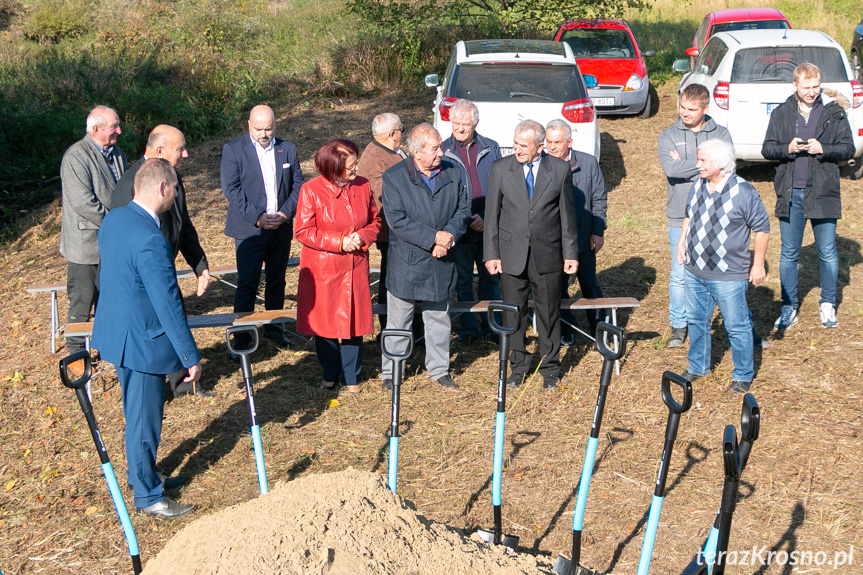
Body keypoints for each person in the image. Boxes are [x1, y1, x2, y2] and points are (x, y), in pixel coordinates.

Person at [92, 159, 200, 518]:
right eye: (174, 189)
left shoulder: (115, 219)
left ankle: (144, 476)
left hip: (118, 333)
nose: (175, 197)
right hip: (141, 341)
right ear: (161, 188)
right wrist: (190, 356)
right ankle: (148, 496)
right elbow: (168, 303)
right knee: (143, 421)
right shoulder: (152, 238)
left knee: (136, 414)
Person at [113, 125, 212, 398]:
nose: (186, 153)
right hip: (142, 277)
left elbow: (184, 224)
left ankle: (182, 383)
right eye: (180, 148)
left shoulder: (172, 177)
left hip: (162, 268)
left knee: (172, 317)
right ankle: (154, 385)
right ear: (160, 151)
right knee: (157, 325)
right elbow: (122, 235)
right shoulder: (130, 184)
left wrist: (199, 264)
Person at [484, 119, 578, 390]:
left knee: (549, 313)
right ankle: (518, 366)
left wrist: (570, 253)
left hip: (547, 254)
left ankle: (550, 367)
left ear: (540, 146)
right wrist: (491, 254)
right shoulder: (500, 169)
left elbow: (567, 217)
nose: (517, 149)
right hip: (510, 255)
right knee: (514, 314)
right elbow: (491, 216)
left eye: (523, 145)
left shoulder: (559, 170)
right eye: (514, 143)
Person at [762, 63, 854, 331]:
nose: (812, 92)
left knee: (827, 251)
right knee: (789, 253)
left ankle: (827, 302)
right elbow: (767, 148)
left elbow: (848, 148)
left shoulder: (834, 114)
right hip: (791, 193)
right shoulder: (781, 113)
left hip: (823, 191)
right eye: (806, 87)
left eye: (816, 87)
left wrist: (823, 148)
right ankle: (789, 306)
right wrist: (787, 148)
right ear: (795, 86)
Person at [380, 123, 470, 391]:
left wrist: (448, 237)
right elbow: (397, 220)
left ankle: (439, 370)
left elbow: (463, 208)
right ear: (416, 153)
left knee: (438, 319)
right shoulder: (394, 177)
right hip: (407, 261)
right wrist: (433, 238)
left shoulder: (453, 172)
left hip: (441, 258)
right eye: (435, 148)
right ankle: (392, 372)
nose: (441, 152)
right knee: (399, 322)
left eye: (440, 146)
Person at [677, 140, 769, 393]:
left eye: (703, 160)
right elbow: (689, 215)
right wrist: (681, 243)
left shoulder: (743, 192)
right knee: (697, 321)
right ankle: (698, 366)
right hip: (695, 271)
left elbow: (762, 228)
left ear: (719, 163)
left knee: (737, 327)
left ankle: (742, 375)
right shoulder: (697, 185)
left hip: (728, 275)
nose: (697, 165)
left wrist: (758, 265)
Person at [295, 139, 380, 393]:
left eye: (355, 163)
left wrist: (363, 238)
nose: (356, 169)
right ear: (333, 168)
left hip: (354, 266)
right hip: (324, 268)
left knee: (354, 323)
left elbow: (375, 220)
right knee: (326, 325)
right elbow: (303, 231)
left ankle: (352, 377)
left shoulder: (363, 185)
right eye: (351, 165)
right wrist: (340, 241)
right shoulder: (310, 190)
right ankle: (329, 374)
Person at [221, 104, 304, 355]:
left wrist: (284, 213)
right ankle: (243, 336)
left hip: (279, 227)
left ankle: (274, 326)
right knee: (248, 282)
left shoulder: (287, 148)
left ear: (275, 125)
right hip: (249, 229)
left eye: (268, 128)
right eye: (258, 128)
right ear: (249, 125)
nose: (263, 133)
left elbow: (299, 185)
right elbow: (231, 189)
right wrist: (257, 218)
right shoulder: (234, 150)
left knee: (277, 279)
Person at [658, 84, 733, 349]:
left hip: (715, 214)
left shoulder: (721, 133)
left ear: (705, 108)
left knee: (719, 272)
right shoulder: (668, 135)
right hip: (680, 213)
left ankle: (731, 321)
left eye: (691, 109)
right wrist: (706, 165)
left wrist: (686, 164)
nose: (685, 113)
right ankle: (679, 325)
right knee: (679, 273)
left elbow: (728, 168)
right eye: (682, 107)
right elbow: (671, 168)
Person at [59, 105, 127, 366]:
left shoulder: (117, 154)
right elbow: (83, 202)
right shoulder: (75, 156)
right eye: (114, 126)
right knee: (82, 299)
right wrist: (116, 223)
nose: (119, 130)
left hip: (111, 243)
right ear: (96, 129)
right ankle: (75, 352)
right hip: (85, 246)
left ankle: (104, 346)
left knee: (108, 298)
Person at [441, 99, 502, 343]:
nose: (460, 129)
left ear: (475, 123)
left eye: (465, 124)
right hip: (461, 229)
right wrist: (464, 220)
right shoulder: (443, 150)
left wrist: (487, 217)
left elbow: (500, 188)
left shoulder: (491, 147)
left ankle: (492, 326)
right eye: (456, 123)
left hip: (488, 227)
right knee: (463, 281)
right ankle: (467, 330)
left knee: (491, 279)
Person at [545, 118, 607, 344]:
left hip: (583, 239)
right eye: (548, 141)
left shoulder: (588, 163)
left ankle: (599, 329)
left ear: (569, 142)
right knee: (557, 288)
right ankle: (567, 329)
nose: (552, 147)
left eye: (557, 142)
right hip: (553, 243)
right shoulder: (542, 165)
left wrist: (597, 231)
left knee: (589, 284)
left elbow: (599, 198)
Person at [356, 113, 406, 334]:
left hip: (395, 228)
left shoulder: (386, 152)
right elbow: (383, 195)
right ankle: (390, 329)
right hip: (391, 230)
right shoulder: (376, 157)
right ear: (392, 134)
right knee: (391, 281)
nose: (403, 134)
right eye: (402, 130)